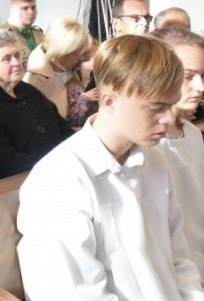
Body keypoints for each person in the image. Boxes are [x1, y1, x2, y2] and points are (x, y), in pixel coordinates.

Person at [17, 34, 204, 299]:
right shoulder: (57, 179)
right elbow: (73, 293)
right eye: (156, 107)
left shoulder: (155, 158)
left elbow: (179, 259)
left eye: (171, 105)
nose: (167, 118)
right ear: (109, 101)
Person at [0, 29, 73, 180]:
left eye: (17, 55)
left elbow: (64, 129)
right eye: (7, 59)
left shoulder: (28, 90)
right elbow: (5, 161)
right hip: (26, 179)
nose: (16, 63)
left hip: (62, 169)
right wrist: (56, 167)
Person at [151, 28, 204, 277]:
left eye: (202, 75)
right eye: (189, 76)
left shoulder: (191, 134)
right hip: (174, 268)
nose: (200, 86)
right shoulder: (147, 145)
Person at [23, 17, 92, 119]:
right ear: (61, 50)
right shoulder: (33, 81)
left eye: (83, 52)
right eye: (76, 53)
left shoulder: (78, 68)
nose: (82, 58)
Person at [0, 0, 43, 65]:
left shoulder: (39, 33)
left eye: (33, 7)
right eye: (25, 8)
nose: (31, 12)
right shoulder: (3, 36)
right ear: (12, 11)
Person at [65, 39, 99, 128]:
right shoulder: (73, 88)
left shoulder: (104, 84)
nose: (93, 63)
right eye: (87, 60)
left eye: (97, 58)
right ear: (77, 65)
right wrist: (84, 99)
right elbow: (75, 121)